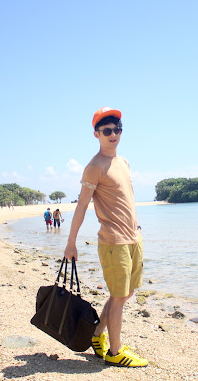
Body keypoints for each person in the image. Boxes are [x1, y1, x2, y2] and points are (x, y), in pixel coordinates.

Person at [64, 107, 147, 368]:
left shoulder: (124, 162)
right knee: (118, 296)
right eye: (107, 130)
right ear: (96, 134)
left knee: (125, 292)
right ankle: (115, 351)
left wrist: (137, 230)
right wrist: (71, 242)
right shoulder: (94, 167)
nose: (113, 134)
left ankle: (97, 334)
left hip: (133, 238)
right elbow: (81, 206)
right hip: (113, 241)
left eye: (117, 129)